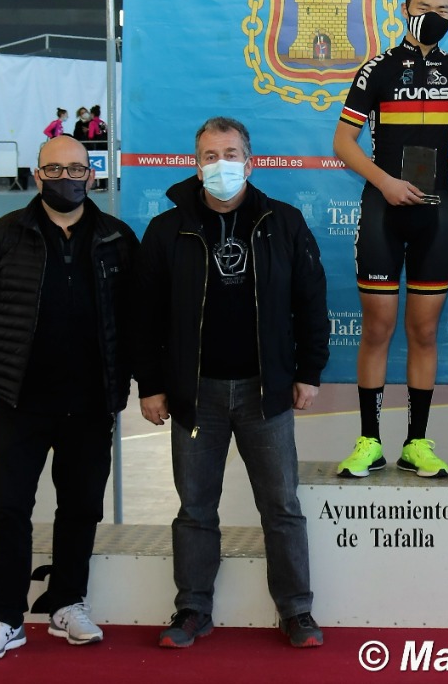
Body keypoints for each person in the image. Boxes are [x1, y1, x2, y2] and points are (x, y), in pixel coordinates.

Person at [136, 116, 328, 651]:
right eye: (210, 156)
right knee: (195, 509)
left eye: (230, 154)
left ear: (250, 162)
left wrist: (308, 372)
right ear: (196, 166)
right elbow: (144, 316)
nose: (221, 164)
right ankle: (192, 609)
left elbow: (311, 301)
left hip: (266, 392)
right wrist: (150, 384)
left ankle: (297, 610)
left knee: (281, 506)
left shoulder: (283, 223)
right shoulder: (166, 230)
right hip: (195, 395)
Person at [0, 135, 139, 660]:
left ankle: (67, 604)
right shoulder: (2, 235)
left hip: (90, 403)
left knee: (80, 508)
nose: (66, 178)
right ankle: (5, 617)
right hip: (18, 401)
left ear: (91, 176)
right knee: (9, 507)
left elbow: (133, 314)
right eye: (54, 169)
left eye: (76, 169)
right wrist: (11, 348)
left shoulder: (117, 238)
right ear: (38, 176)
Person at [330, 0, 448, 479]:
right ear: (404, 9)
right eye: (423, 8)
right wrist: (386, 182)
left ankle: (416, 442)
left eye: (443, 11)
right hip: (383, 210)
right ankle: (369, 441)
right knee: (377, 328)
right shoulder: (377, 68)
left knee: (424, 331)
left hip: (436, 215)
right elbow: (343, 142)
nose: (433, 17)